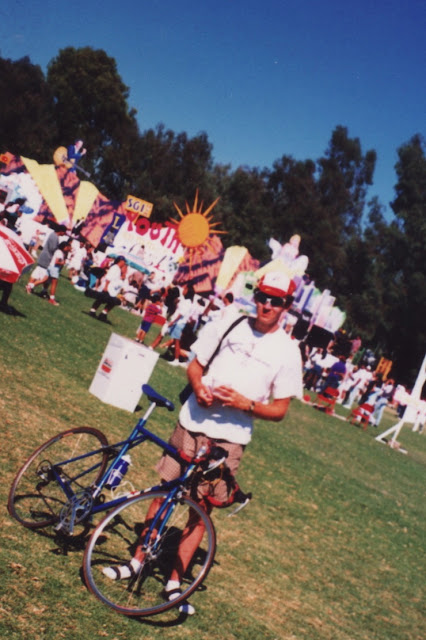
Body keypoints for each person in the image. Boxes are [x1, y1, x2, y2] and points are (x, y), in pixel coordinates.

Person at [102, 271, 303, 614]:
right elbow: (195, 367)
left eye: (276, 301)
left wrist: (246, 405)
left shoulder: (288, 351)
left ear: (287, 306)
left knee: (200, 510)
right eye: (262, 297)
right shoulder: (230, 323)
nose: (266, 305)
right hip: (192, 423)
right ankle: (136, 561)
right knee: (163, 493)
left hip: (230, 440)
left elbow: (280, 409)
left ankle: (174, 583)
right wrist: (198, 388)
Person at [26, 224, 68, 296]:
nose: (65, 233)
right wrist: (59, 249)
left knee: (40, 273)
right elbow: (52, 249)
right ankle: (30, 286)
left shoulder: (54, 235)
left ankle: (40, 289)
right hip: (46, 258)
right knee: (41, 275)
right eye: (64, 232)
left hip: (45, 257)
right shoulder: (54, 237)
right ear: (61, 231)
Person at [29, 240, 71, 305]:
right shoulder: (60, 253)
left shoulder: (59, 251)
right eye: (68, 247)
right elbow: (57, 262)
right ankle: (52, 299)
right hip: (54, 269)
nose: (68, 248)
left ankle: (30, 286)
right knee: (54, 284)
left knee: (44, 280)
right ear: (64, 247)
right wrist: (63, 263)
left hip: (50, 267)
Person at [87, 256, 127, 322]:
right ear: (121, 261)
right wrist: (106, 287)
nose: (124, 263)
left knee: (104, 300)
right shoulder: (115, 268)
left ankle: (101, 314)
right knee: (102, 300)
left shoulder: (118, 269)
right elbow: (108, 278)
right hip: (108, 288)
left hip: (111, 290)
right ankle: (95, 312)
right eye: (124, 262)